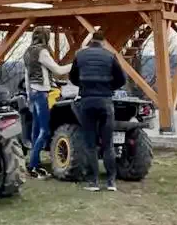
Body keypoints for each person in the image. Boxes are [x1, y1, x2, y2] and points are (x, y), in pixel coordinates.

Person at [69, 30, 126, 192]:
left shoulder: (80, 55)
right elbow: (121, 79)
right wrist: (108, 88)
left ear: (91, 40)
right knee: (108, 144)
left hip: (87, 101)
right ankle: (110, 182)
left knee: (90, 144)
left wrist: (84, 87)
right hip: (105, 102)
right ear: (103, 41)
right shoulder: (110, 56)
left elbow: (73, 77)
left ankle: (93, 182)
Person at [23, 27, 72, 178]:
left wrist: (29, 95)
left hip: (32, 92)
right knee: (44, 131)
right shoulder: (42, 52)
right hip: (42, 93)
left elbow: (26, 76)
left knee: (36, 131)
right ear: (46, 37)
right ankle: (32, 167)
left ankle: (35, 165)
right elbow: (58, 70)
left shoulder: (28, 52)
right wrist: (75, 64)